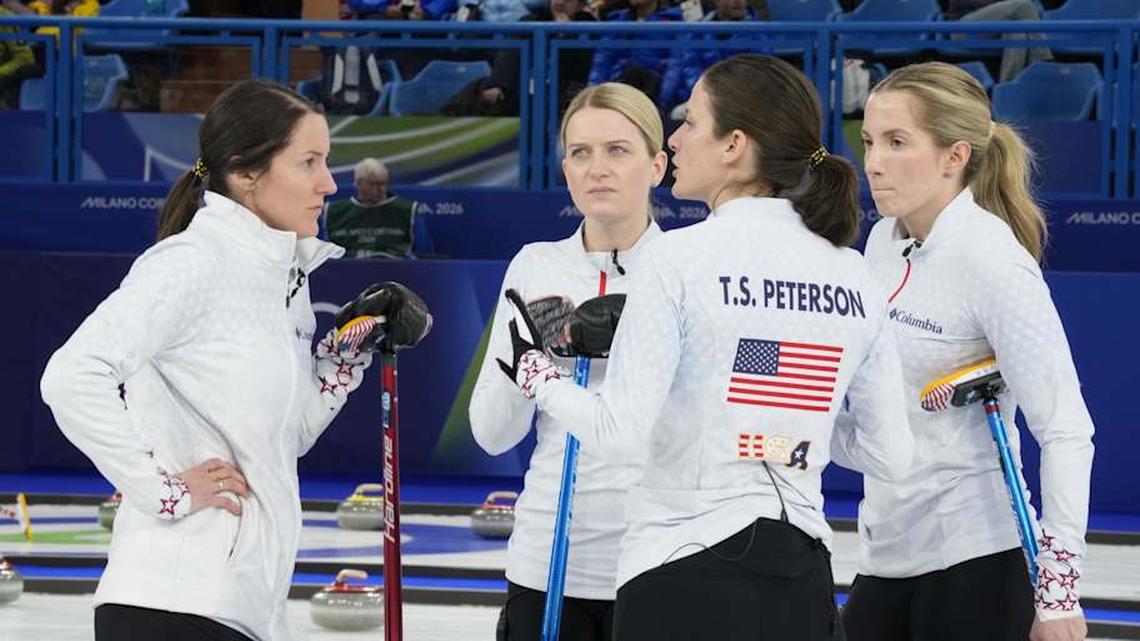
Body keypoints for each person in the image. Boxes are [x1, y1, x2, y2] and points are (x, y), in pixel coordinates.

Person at [494, 54, 914, 641]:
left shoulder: (678, 258)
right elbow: (891, 457)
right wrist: (787, 435)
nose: (676, 136)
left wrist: (537, 373)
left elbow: (619, 433)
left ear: (733, 145)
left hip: (680, 571)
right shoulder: (853, 272)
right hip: (802, 578)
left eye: (690, 121)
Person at [39, 79, 430, 641]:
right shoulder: (192, 263)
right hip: (172, 602)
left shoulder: (282, 278)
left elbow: (284, 434)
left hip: (239, 606)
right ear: (247, 173)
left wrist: (349, 348)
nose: (328, 183)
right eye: (309, 163)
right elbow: (72, 376)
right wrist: (165, 491)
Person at [843, 61, 1095, 641]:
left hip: (975, 558)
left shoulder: (993, 261)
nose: (873, 161)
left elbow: (1065, 429)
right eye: (871, 139)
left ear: (955, 156)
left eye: (897, 142)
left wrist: (1058, 593)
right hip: (883, 552)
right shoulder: (883, 241)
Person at [468, 81, 668, 641]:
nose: (597, 168)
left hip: (659, 563)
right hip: (546, 566)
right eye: (581, 153)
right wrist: (531, 359)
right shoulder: (535, 266)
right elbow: (491, 433)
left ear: (657, 165)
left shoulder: (686, 268)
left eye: (617, 150)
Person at [325, 158, 420, 259]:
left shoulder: (407, 210)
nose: (380, 189)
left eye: (383, 183)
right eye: (374, 184)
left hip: (393, 269)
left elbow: (423, 255)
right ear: (358, 183)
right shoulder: (334, 211)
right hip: (345, 269)